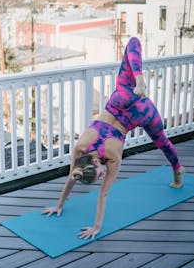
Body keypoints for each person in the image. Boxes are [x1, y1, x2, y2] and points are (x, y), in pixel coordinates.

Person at [41, 37, 185, 240]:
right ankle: (139, 76)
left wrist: (96, 227)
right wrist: (59, 205)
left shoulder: (113, 157)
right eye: (100, 176)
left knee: (163, 142)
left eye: (99, 173)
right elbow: (74, 176)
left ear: (94, 162)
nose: (101, 175)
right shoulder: (80, 146)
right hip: (122, 99)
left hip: (142, 114)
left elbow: (103, 194)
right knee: (133, 42)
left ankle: (178, 170)